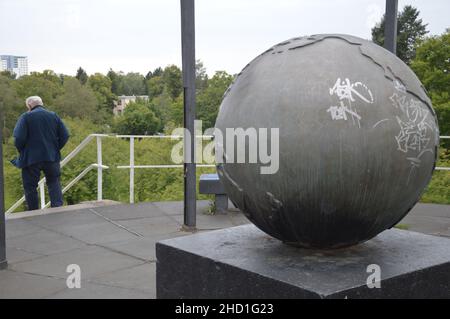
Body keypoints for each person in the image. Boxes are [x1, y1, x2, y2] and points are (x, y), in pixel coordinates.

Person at [12, 96, 69, 210]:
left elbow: (18, 138)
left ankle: (34, 212)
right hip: (51, 157)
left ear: (29, 106)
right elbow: (65, 135)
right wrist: (55, 148)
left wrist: (22, 151)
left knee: (30, 187)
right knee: (54, 182)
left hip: (31, 159)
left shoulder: (26, 117)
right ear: (41, 104)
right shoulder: (53, 116)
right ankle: (57, 210)